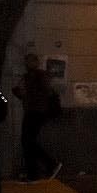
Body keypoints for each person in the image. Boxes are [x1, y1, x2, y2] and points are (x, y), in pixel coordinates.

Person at [13, 53, 61, 181]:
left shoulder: (35, 76)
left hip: (35, 111)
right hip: (36, 110)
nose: (28, 64)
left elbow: (38, 92)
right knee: (28, 141)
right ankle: (37, 170)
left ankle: (44, 166)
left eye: (29, 61)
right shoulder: (36, 76)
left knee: (27, 141)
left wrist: (23, 93)